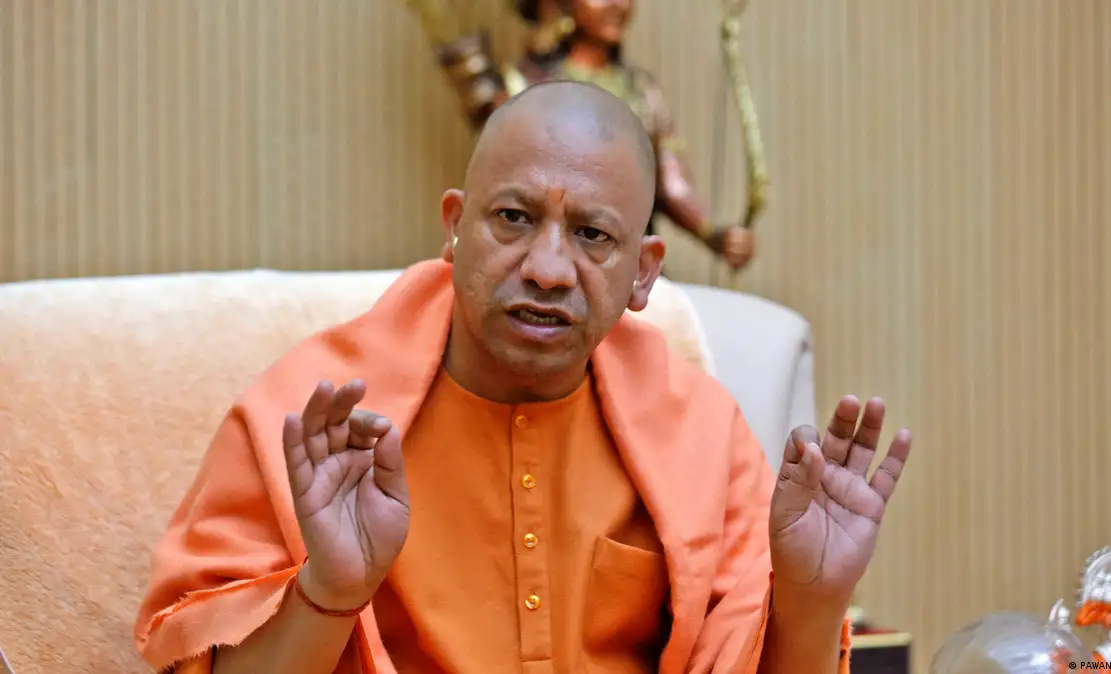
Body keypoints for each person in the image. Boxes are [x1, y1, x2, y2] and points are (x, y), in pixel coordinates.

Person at [133, 81, 912, 674]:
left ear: (643, 273)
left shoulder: (698, 435)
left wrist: (811, 604)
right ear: (453, 228)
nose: (546, 269)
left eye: (591, 234)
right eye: (512, 218)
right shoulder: (314, 423)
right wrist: (326, 593)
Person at [406, 0, 757, 271]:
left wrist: (715, 233)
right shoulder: (521, 89)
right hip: (539, 266)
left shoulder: (642, 91)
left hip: (623, 272)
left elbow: (671, 183)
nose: (619, 4)